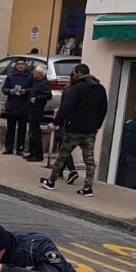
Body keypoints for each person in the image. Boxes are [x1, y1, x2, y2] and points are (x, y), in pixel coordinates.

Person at [41, 63, 107, 197]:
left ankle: (51, 182)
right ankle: (88, 188)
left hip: (74, 129)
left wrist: (55, 123)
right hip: (90, 130)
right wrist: (97, 125)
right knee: (89, 159)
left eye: (73, 73)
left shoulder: (77, 88)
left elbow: (66, 107)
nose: (72, 76)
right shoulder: (100, 88)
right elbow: (103, 109)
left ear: (78, 73)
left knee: (62, 156)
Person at [1, 58, 33, 155]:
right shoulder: (10, 76)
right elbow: (4, 88)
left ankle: (20, 149)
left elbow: (33, 89)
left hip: (23, 107)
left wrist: (25, 91)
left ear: (25, 65)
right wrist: (10, 91)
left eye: (22, 64)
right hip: (12, 106)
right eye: (18, 64)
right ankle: (9, 148)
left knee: (22, 129)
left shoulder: (29, 76)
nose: (20, 66)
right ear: (15, 65)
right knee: (10, 129)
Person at [24, 64, 52, 162]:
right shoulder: (36, 81)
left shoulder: (44, 83)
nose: (33, 73)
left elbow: (48, 95)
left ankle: (38, 154)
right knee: (31, 131)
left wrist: (36, 99)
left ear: (40, 74)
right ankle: (32, 152)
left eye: (35, 72)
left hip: (37, 109)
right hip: (31, 109)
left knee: (35, 132)